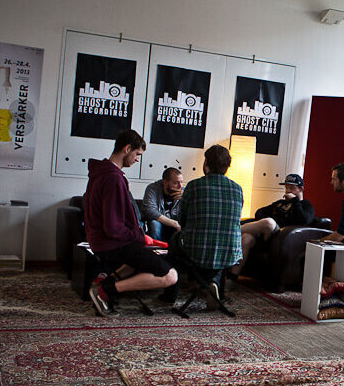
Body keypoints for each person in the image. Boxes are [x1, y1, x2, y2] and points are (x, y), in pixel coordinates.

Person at [83, 130, 178, 317]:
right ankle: (106, 289)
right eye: (137, 154)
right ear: (127, 149)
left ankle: (104, 283)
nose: (137, 160)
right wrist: (140, 237)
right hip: (112, 245)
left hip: (102, 243)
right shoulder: (112, 178)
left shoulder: (101, 173)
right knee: (170, 275)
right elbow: (113, 227)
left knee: (141, 260)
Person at [171, 144, 244, 298]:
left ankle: (171, 294)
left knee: (176, 239)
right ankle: (213, 285)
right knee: (218, 249)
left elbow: (182, 219)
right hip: (230, 251)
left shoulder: (193, 186)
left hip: (197, 249)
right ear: (227, 166)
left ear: (206, 163)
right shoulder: (238, 189)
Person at [236, 173, 317, 275]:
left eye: (291, 188)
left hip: (282, 238)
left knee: (269, 222)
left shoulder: (305, 205)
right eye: (286, 187)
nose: (287, 191)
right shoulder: (280, 203)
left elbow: (303, 220)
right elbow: (259, 212)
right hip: (265, 235)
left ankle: (232, 231)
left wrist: (295, 201)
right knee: (246, 238)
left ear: (301, 189)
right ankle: (232, 278)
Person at [140, 167, 183, 242]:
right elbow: (149, 211)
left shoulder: (183, 193)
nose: (180, 186)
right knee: (154, 223)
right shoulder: (152, 188)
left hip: (175, 224)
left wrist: (185, 199)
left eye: (181, 182)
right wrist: (175, 223)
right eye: (176, 183)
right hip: (159, 222)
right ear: (165, 182)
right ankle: (156, 247)